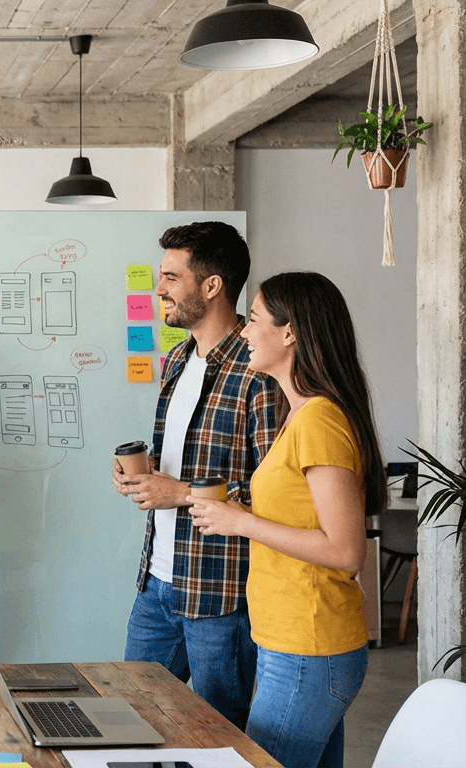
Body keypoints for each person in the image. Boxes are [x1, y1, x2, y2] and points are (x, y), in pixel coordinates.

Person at [189, 271, 383, 768]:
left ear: (290, 332)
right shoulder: (297, 414)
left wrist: (241, 522)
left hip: (308, 648)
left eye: (253, 320)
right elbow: (301, 513)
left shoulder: (318, 419)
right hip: (294, 644)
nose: (245, 332)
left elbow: (345, 552)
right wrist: (239, 511)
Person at [110, 221, 277, 729]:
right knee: (127, 721)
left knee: (216, 735)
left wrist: (177, 492)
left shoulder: (259, 374)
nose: (158, 288)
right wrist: (141, 478)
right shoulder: (178, 360)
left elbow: (277, 493)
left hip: (220, 593)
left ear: (211, 285)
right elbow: (182, 469)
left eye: (170, 276)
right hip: (157, 581)